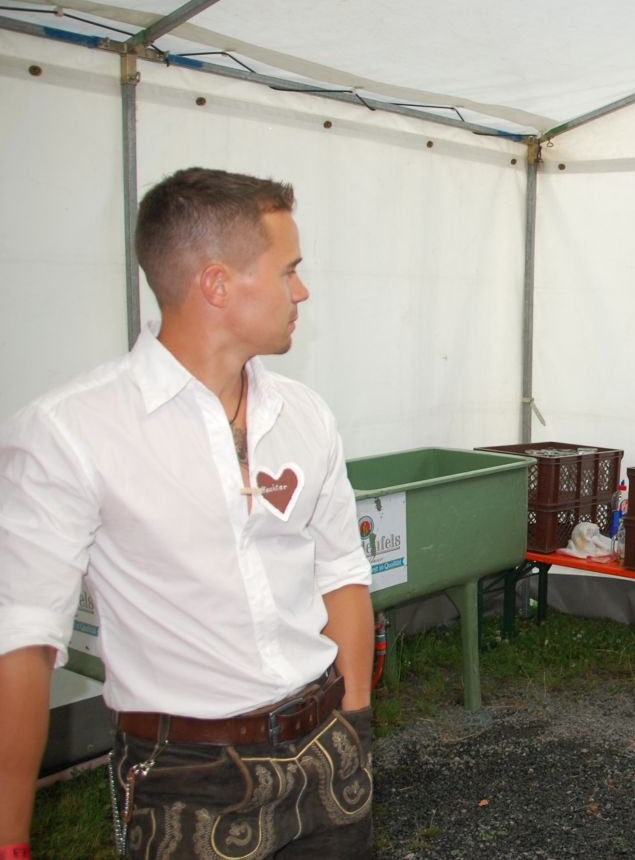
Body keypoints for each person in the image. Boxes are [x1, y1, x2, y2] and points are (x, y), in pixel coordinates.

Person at [0, 168, 376, 860]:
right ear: (217, 284)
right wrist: (10, 840)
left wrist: (355, 723)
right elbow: (23, 639)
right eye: (288, 270)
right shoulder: (70, 431)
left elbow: (341, 572)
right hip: (186, 777)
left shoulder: (305, 414)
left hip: (328, 755)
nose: (302, 290)